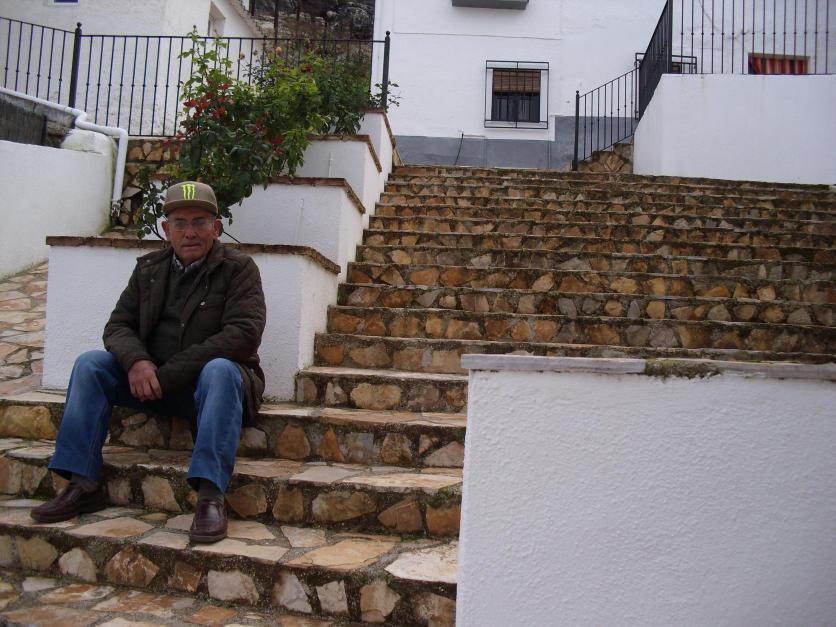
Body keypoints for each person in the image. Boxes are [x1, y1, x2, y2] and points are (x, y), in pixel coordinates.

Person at [31, 181, 266, 544]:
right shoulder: (148, 269)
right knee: (90, 365)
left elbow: (243, 333)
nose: (190, 232)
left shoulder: (239, 269)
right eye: (180, 223)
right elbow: (118, 326)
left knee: (220, 369)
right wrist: (138, 362)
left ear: (216, 227)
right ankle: (82, 483)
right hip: (152, 383)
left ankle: (210, 496)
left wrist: (167, 375)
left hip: (209, 388)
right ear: (166, 229)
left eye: (200, 222)